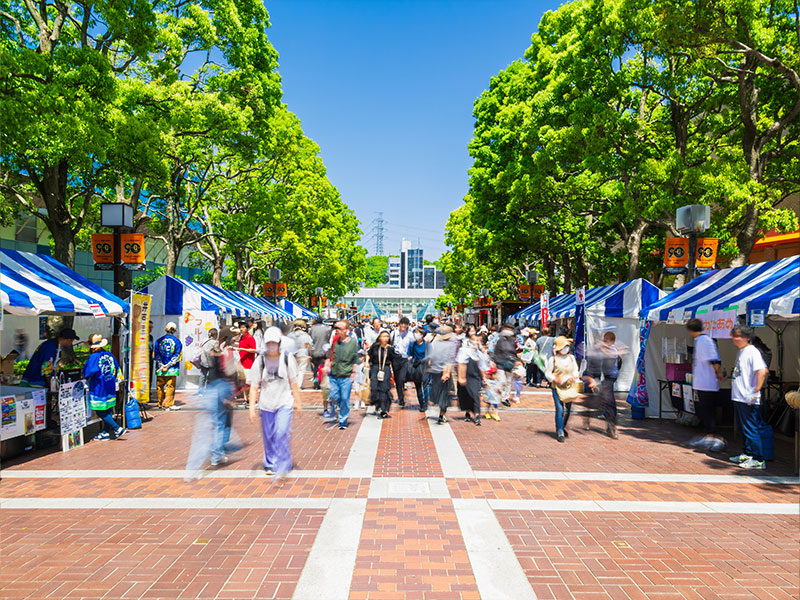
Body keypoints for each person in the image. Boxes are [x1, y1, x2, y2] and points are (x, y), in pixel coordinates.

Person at [248, 327, 300, 477]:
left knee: (282, 432)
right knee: (269, 434)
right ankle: (270, 463)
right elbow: (254, 386)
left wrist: (298, 401)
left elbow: (294, 382)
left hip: (284, 402)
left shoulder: (287, 358)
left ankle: (284, 461)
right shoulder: (260, 361)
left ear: (279, 343)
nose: (271, 346)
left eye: (274, 343)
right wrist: (252, 408)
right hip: (266, 403)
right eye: (268, 343)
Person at [728, 325, 770, 470]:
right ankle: (748, 453)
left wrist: (756, 391)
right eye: (734, 335)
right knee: (742, 428)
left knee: (750, 428)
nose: (734, 338)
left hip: (748, 397)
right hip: (740, 396)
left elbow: (762, 371)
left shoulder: (752, 351)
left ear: (746, 338)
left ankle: (759, 459)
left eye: (738, 335)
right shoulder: (742, 351)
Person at [685, 318, 725, 450]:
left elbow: (714, 360)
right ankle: (709, 435)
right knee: (703, 410)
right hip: (702, 382)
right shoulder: (701, 340)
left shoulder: (705, 341)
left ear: (691, 330)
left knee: (708, 410)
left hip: (707, 383)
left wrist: (717, 373)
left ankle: (713, 436)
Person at [82, 333, 125, 441]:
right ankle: (105, 433)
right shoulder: (109, 354)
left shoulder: (94, 357)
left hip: (99, 388)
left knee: (100, 410)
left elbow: (88, 372)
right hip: (110, 386)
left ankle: (117, 428)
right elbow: (116, 367)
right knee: (108, 410)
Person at [583, 331, 621, 439]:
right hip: (601, 380)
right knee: (605, 403)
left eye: (606, 341)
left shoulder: (613, 350)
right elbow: (592, 365)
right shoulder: (599, 351)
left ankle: (611, 427)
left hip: (608, 381)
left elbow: (612, 358)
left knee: (609, 403)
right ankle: (607, 426)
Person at [325, 320, 360, 430]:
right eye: (336, 328)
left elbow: (356, 358)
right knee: (334, 395)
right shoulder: (335, 342)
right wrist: (327, 365)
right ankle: (336, 412)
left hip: (346, 374)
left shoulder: (353, 342)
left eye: (339, 329)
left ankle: (342, 420)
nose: (337, 331)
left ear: (346, 330)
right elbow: (329, 355)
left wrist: (354, 372)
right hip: (334, 373)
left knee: (345, 398)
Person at [545, 336, 580, 442]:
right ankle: (559, 431)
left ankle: (563, 426)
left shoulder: (571, 358)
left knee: (568, 410)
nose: (566, 348)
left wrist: (575, 377)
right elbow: (548, 373)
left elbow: (575, 370)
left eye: (567, 346)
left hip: (569, 387)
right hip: (557, 387)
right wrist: (554, 379)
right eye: (564, 346)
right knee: (560, 409)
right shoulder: (553, 359)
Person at [427, 325, 456, 424]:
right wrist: (447, 373)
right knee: (444, 396)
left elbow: (431, 358)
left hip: (435, 371)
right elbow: (449, 360)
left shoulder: (435, 343)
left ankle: (437, 405)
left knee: (437, 392)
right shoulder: (450, 345)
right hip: (444, 372)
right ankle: (441, 415)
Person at [457, 328, 485, 425]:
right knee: (466, 394)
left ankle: (477, 415)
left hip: (476, 377)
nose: (476, 342)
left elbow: (482, 366)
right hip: (466, 376)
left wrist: (484, 378)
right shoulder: (464, 351)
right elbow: (461, 363)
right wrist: (461, 377)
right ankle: (468, 412)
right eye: (474, 340)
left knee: (476, 395)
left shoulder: (480, 353)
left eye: (478, 340)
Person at [368, 330, 399, 419]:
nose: (385, 338)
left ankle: (384, 410)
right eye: (383, 336)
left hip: (385, 369)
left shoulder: (390, 349)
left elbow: (395, 360)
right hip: (375, 368)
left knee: (384, 389)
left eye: (387, 336)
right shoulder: (375, 347)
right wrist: (367, 362)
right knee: (374, 388)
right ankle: (378, 403)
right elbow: (369, 355)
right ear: (379, 337)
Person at [154, 322, 183, 410]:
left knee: (160, 386)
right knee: (170, 386)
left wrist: (161, 365)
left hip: (160, 368)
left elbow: (156, 354)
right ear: (174, 330)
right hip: (172, 369)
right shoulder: (177, 342)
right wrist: (168, 365)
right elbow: (177, 356)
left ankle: (160, 402)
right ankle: (168, 404)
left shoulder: (159, 341)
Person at [491, 324, 518, 406]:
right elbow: (494, 351)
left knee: (509, 381)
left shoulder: (512, 341)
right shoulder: (498, 339)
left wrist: (516, 360)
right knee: (502, 380)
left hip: (509, 363)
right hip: (500, 363)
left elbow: (514, 352)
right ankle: (501, 396)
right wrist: (493, 361)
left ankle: (505, 398)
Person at [391, 316, 413, 407]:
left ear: (408, 325)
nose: (403, 325)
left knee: (402, 378)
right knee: (397, 379)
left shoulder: (410, 335)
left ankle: (402, 393)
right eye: (402, 324)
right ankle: (400, 398)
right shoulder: (394, 333)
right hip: (395, 359)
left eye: (405, 324)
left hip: (405, 359)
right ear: (399, 324)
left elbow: (413, 346)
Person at [287, 320, 313, 387]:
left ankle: (292, 384)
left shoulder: (290, 335)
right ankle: (298, 385)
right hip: (302, 354)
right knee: (301, 370)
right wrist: (310, 355)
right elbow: (309, 345)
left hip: (292, 354)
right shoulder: (305, 335)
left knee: (292, 370)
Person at [310, 318, 330, 390]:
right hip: (324, 351)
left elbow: (311, 339)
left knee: (315, 368)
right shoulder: (326, 328)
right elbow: (328, 339)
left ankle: (316, 382)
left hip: (314, 350)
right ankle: (322, 381)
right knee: (323, 367)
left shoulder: (312, 329)